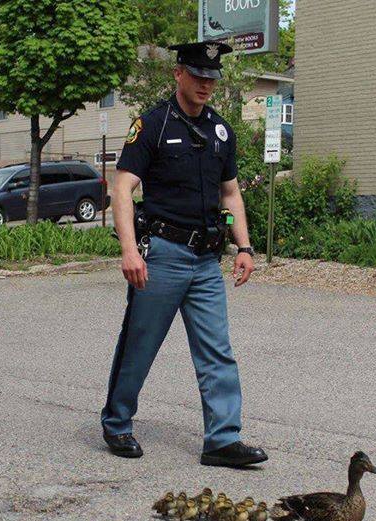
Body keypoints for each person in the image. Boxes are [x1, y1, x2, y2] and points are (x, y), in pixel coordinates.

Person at [100, 41, 268, 469]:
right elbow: (122, 188)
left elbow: (229, 194)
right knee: (140, 343)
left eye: (212, 78)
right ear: (178, 74)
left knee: (217, 350)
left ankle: (222, 439)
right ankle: (118, 423)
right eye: (198, 76)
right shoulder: (153, 125)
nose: (205, 85)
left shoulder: (221, 132)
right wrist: (128, 250)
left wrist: (244, 246)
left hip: (206, 261)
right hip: (162, 256)